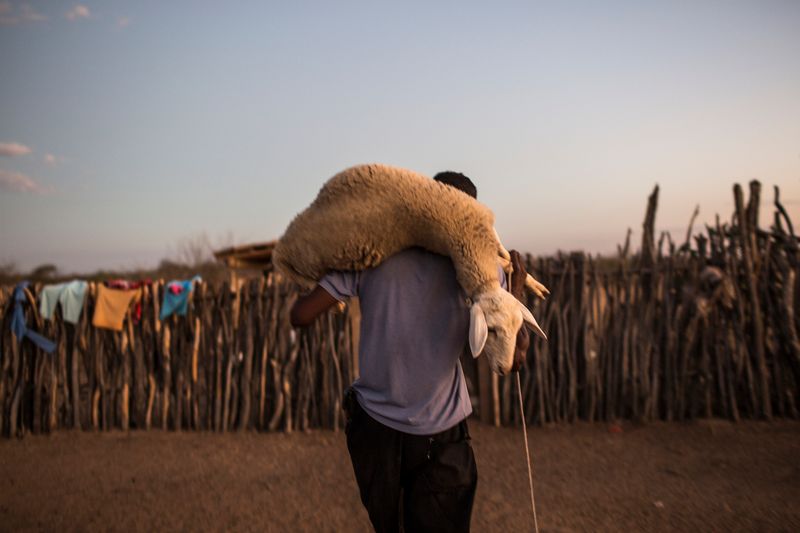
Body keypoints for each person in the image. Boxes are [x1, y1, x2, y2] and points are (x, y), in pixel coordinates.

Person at [290, 171, 530, 533]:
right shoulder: (484, 270)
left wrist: (329, 267)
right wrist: (516, 295)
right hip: (442, 439)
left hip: (374, 432)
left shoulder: (371, 251)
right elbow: (513, 360)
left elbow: (300, 315)